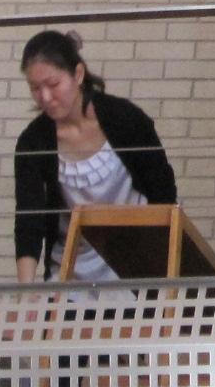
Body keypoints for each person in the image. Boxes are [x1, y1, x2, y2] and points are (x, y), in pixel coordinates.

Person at [12, 29, 177, 283]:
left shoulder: (126, 119)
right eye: (35, 88)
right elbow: (29, 222)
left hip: (135, 263)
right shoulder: (33, 142)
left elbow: (163, 190)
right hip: (71, 268)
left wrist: (157, 261)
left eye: (53, 84)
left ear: (78, 74)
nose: (45, 97)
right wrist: (25, 292)